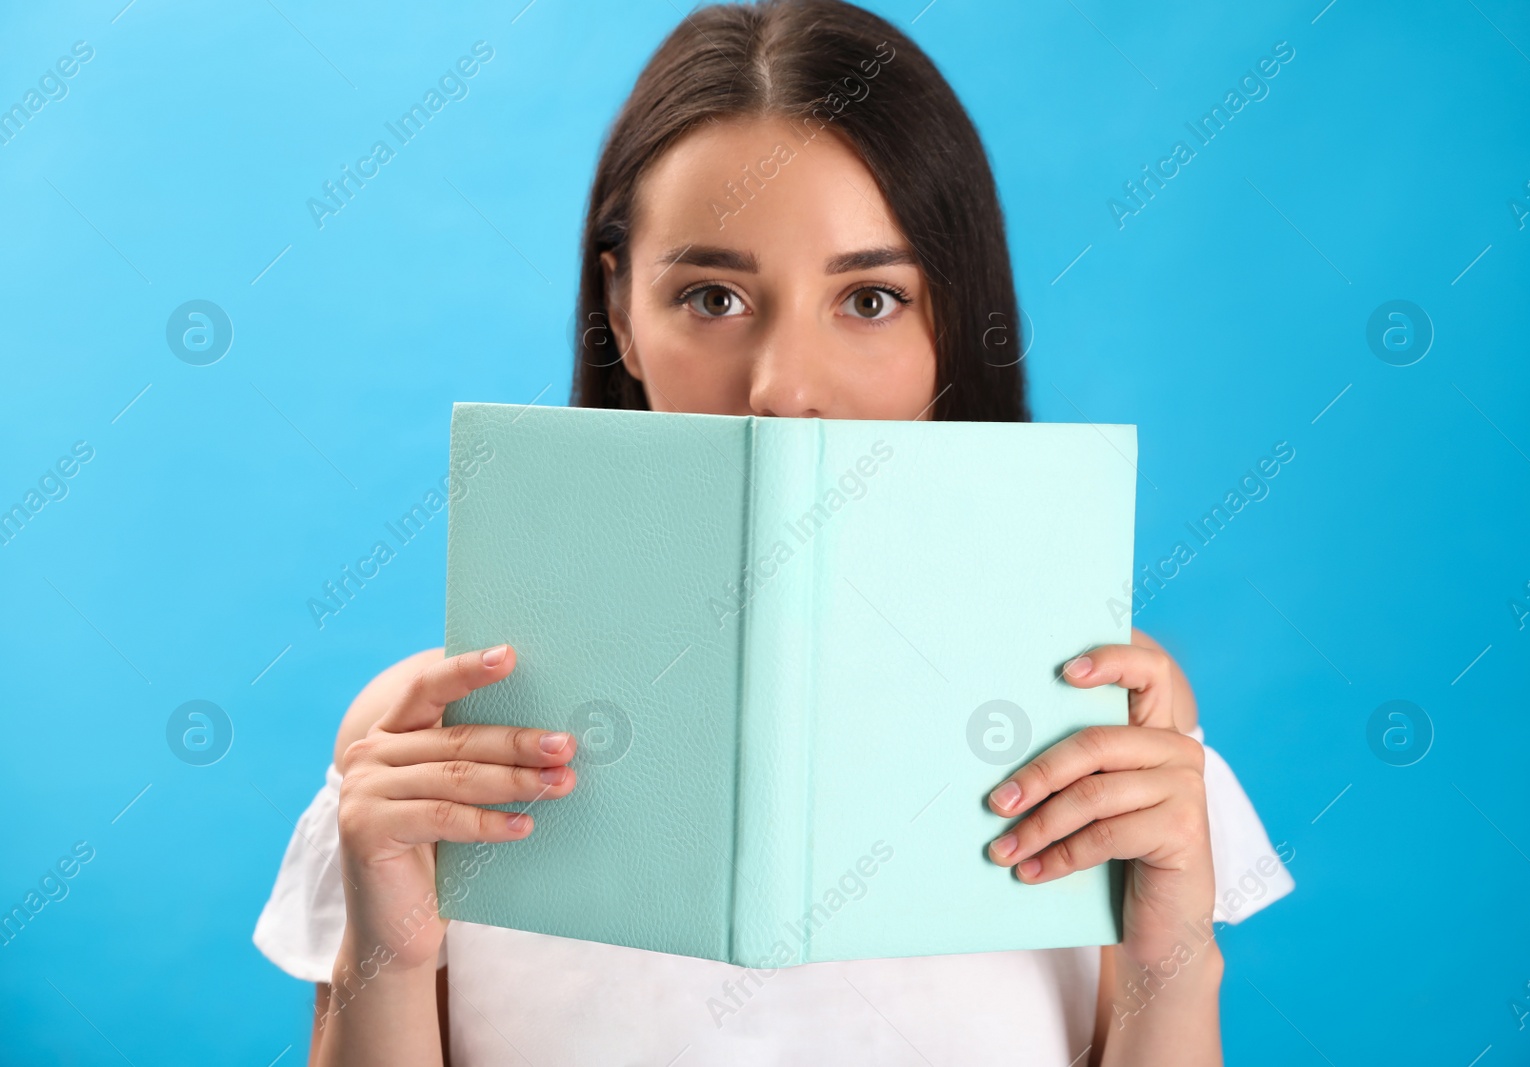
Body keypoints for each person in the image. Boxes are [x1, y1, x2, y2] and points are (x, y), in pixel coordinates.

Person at [254, 1, 1294, 1062]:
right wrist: (379, 955)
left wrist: (1170, 956)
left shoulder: (1105, 721)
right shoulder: (430, 736)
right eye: (712, 296)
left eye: (872, 299)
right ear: (618, 311)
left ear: (953, 319)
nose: (783, 391)